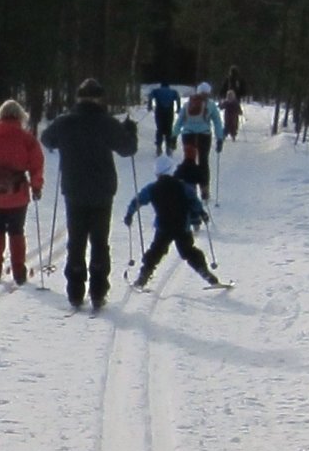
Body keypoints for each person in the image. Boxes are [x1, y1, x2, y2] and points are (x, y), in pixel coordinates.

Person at [39, 77, 138, 311]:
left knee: (76, 241)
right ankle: (98, 291)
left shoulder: (66, 122)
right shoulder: (107, 123)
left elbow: (46, 139)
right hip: (103, 190)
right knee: (100, 241)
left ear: (78, 98)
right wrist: (130, 131)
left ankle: (75, 292)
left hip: (73, 189)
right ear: (99, 98)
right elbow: (128, 149)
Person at [0, 99, 45, 285]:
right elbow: (37, 165)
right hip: (17, 195)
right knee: (16, 231)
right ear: (20, 116)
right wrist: (36, 187)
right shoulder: (27, 139)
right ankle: (19, 271)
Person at [124, 154, 222, 289]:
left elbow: (138, 200)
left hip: (163, 227)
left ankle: (143, 277)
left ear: (157, 172)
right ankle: (206, 274)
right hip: (182, 226)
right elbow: (194, 201)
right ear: (171, 170)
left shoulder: (152, 188)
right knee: (188, 251)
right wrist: (202, 214)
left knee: (156, 252)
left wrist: (130, 214)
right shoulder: (183, 186)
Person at [171, 81, 225, 201]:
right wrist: (219, 138)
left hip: (188, 135)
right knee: (203, 162)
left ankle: (189, 189)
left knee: (189, 161)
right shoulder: (210, 105)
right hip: (204, 136)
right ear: (208, 93)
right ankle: (204, 191)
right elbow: (217, 122)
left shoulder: (188, 104)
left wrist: (174, 136)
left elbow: (179, 121)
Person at [144, 80, 181, 156]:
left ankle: (159, 147)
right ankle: (168, 147)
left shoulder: (156, 91)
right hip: (169, 112)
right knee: (168, 129)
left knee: (159, 129)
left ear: (161, 85)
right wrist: (178, 108)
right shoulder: (173, 91)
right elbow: (178, 98)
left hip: (159, 112)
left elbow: (150, 96)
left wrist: (149, 105)